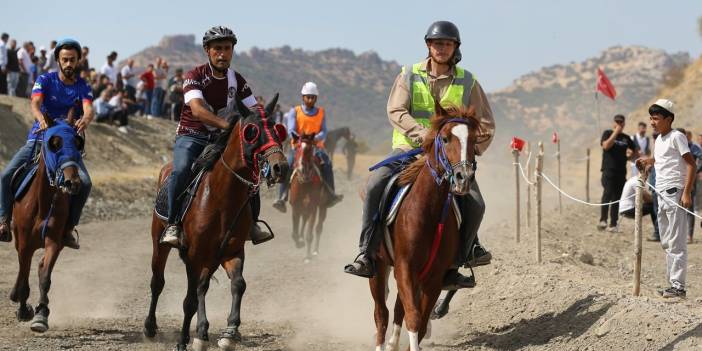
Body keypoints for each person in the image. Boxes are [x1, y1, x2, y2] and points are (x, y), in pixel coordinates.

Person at [343, 21, 495, 289]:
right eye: (438, 43)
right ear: (428, 45)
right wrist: (422, 135)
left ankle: (459, 260)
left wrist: (469, 150)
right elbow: (396, 110)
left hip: (450, 157)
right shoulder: (409, 75)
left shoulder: (468, 81)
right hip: (408, 150)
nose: (442, 48)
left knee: (476, 203)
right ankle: (366, 252)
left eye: (448, 44)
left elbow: (485, 122)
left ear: (455, 48)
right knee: (376, 182)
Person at [160, 26, 273, 247]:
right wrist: (227, 126)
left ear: (232, 51)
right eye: (217, 48)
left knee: (249, 171)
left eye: (227, 48)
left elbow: (254, 110)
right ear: (207, 51)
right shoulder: (194, 76)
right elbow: (198, 111)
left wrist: (266, 125)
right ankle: (172, 224)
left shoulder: (237, 81)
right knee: (181, 169)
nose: (222, 53)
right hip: (191, 135)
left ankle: (252, 224)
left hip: (221, 140)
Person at [0, 38, 94, 249]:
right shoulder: (45, 79)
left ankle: (68, 229)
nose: (69, 64)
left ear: (78, 61)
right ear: (58, 61)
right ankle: (4, 221)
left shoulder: (82, 86)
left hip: (67, 146)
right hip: (39, 138)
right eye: (65, 60)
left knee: (86, 184)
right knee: (6, 175)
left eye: (72, 60)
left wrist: (86, 119)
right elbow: (35, 103)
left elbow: (88, 108)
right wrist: (41, 118)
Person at [637, 99, 696, 299]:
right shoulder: (659, 140)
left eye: (656, 118)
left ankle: (679, 287)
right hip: (659, 194)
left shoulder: (677, 136)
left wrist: (686, 192)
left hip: (674, 192)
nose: (652, 122)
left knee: (677, 241)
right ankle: (672, 283)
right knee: (666, 241)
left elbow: (691, 165)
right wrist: (648, 161)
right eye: (651, 118)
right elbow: (660, 160)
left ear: (668, 119)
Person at [272, 82, 344, 212]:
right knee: (287, 165)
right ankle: (281, 198)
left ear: (316, 98)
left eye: (313, 97)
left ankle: (331, 194)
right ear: (303, 97)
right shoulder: (295, 111)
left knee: (327, 164)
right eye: (307, 97)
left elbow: (324, 131)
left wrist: (315, 138)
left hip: (316, 147)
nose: (310, 99)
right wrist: (301, 139)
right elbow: (291, 129)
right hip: (298, 146)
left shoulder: (321, 112)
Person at [598, 114, 638, 232]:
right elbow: (606, 146)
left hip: (621, 172)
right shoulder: (607, 133)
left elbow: (635, 150)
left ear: (624, 124)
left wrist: (630, 156)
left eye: (621, 122)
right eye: (617, 122)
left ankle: (613, 223)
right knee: (607, 194)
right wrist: (616, 132)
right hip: (608, 170)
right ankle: (603, 220)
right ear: (614, 122)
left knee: (616, 198)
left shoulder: (626, 138)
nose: (619, 124)